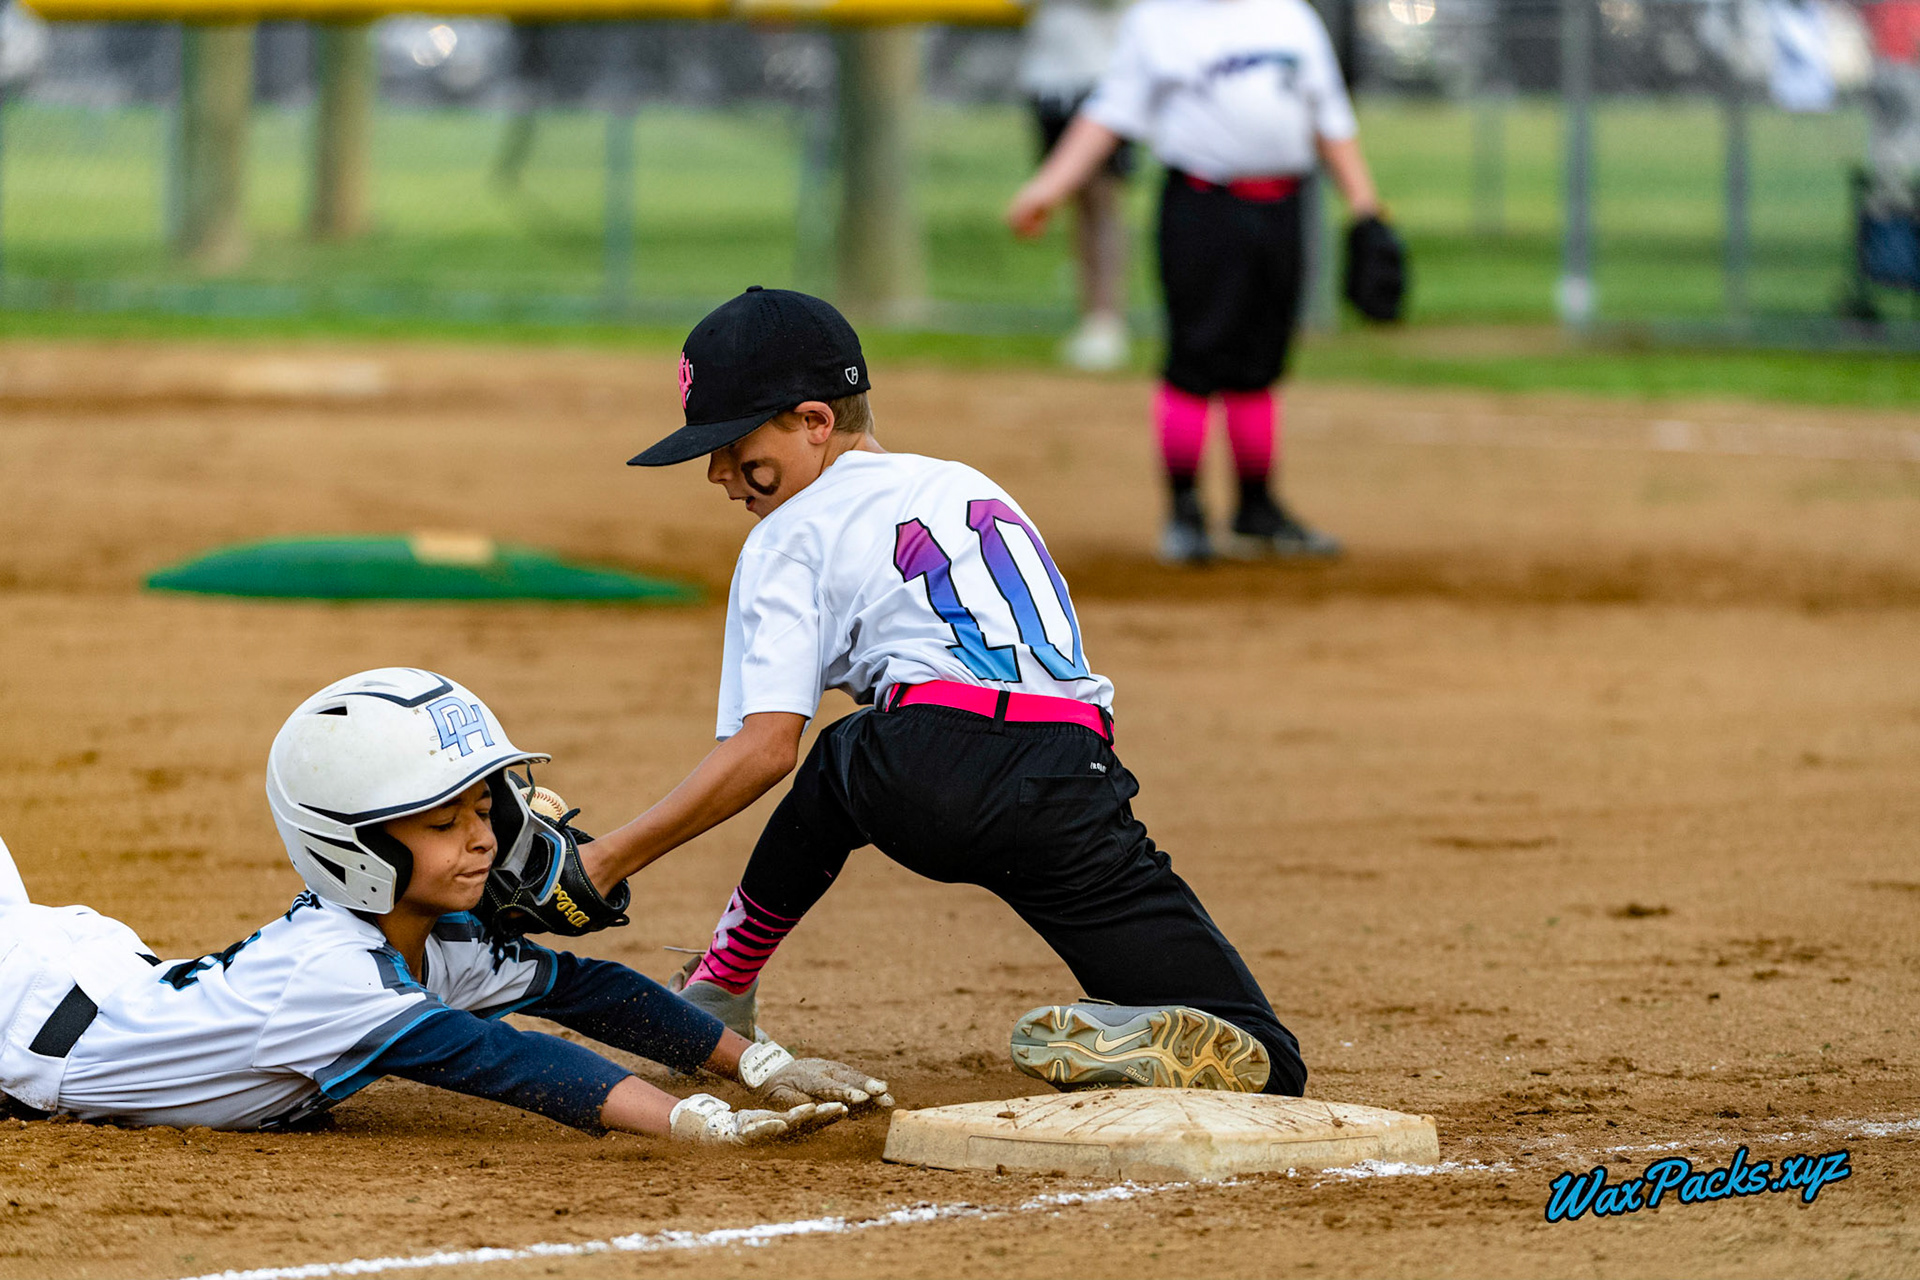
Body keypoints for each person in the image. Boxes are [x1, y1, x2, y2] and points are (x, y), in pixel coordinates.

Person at [584, 286, 1306, 1097]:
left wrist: (608, 860)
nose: (718, 472)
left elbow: (763, 748)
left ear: (814, 422)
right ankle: (1128, 1022)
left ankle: (721, 987)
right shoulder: (965, 483)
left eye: (736, 444)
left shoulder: (786, 532)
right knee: (1267, 1055)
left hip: (923, 769)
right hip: (1073, 778)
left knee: (840, 757)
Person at [0, 667, 887, 1143]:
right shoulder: (336, 978)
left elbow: (582, 992)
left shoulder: (430, 937)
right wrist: (689, 1119)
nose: (483, 839)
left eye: (481, 810)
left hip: (96, 977)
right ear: (355, 846)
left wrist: (754, 1065)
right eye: (439, 821)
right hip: (21, 1021)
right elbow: (493, 1058)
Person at [1006, 0, 1385, 565]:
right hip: (1202, 207)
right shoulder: (1159, 20)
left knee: (1261, 360)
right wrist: (1049, 188)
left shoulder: (1288, 15)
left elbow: (1330, 116)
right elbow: (1107, 116)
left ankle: (1256, 510)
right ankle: (1184, 512)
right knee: (1196, 357)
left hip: (1284, 208)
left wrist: (1365, 209)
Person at [1017, 0, 1136, 371]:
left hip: (1102, 77)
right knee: (1071, 203)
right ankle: (1091, 317)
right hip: (1049, 78)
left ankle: (1107, 320)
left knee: (1102, 201)